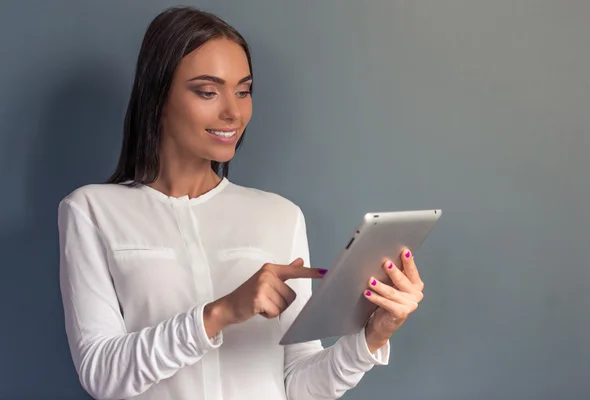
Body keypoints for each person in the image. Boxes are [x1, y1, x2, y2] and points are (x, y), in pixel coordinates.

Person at [57, 6, 425, 400]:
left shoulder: (280, 216)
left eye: (243, 90)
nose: (233, 112)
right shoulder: (92, 211)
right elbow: (101, 375)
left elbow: (299, 385)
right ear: (158, 95)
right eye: (207, 91)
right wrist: (220, 313)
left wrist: (373, 335)